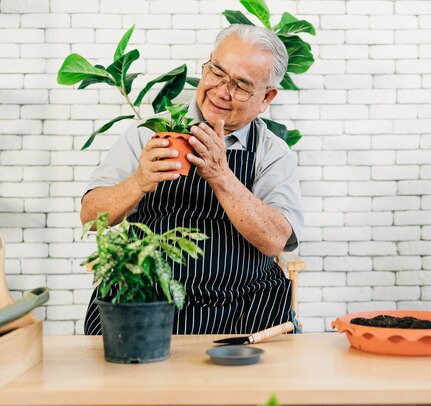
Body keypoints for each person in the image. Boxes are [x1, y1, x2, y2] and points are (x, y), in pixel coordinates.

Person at [81, 24, 303, 335]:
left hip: (245, 307)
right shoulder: (148, 133)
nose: (221, 91)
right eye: (216, 72)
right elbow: (91, 218)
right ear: (207, 64)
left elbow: (275, 239)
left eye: (241, 85)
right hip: (146, 302)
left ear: (267, 97)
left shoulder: (271, 152)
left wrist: (221, 176)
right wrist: (139, 181)